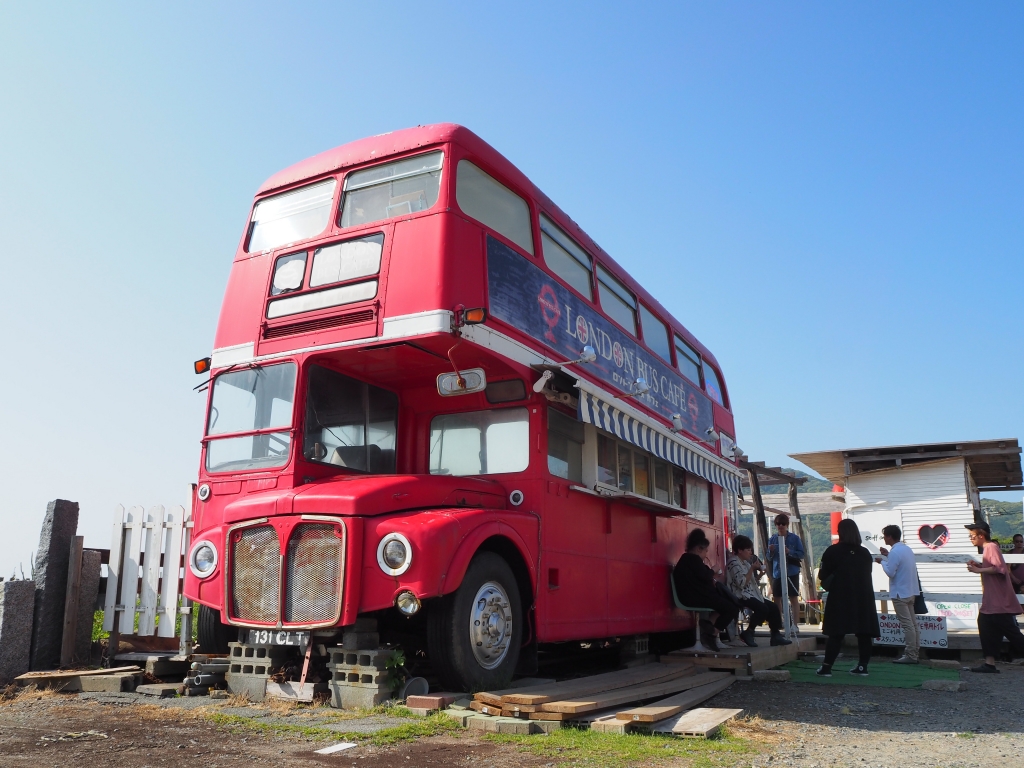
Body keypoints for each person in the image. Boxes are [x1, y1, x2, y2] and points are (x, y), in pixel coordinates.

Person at [816, 518, 880, 677]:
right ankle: (862, 667)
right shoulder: (864, 553)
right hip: (863, 597)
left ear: (841, 533)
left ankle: (827, 667)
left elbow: (822, 575)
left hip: (840, 597)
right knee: (864, 633)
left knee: (836, 633)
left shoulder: (832, 551)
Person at [964, 522, 1024, 673]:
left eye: (972, 536)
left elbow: (999, 568)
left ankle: (990, 663)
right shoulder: (988, 548)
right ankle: (989, 663)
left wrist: (978, 570)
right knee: (988, 627)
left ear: (981, 535)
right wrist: (980, 566)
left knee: (1011, 633)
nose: (970, 538)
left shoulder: (991, 547)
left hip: (998, 602)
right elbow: (994, 568)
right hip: (993, 602)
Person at [673, 528, 739, 651]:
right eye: (705, 551)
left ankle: (708, 626)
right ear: (699, 549)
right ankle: (712, 633)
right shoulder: (694, 560)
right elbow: (705, 576)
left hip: (691, 596)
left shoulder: (686, 559)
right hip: (695, 598)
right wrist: (713, 570)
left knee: (724, 605)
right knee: (732, 608)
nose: (706, 555)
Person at [726, 534, 792, 647]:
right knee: (762, 608)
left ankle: (775, 635)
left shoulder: (745, 563)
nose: (750, 552)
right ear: (740, 550)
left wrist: (760, 574)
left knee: (773, 607)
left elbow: (751, 582)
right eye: (748, 550)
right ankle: (749, 631)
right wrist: (752, 568)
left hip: (750, 594)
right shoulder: (733, 563)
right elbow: (741, 584)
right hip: (739, 595)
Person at [874, 524, 921, 664]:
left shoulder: (895, 552)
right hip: (910, 591)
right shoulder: (906, 549)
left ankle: (910, 654)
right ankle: (915, 652)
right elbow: (899, 564)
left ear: (889, 536)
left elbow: (890, 572)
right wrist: (887, 556)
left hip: (899, 593)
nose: (884, 538)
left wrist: (882, 561)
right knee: (913, 624)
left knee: (907, 625)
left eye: (885, 536)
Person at [767, 513, 804, 634]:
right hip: (777, 572)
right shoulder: (772, 539)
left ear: (787, 525)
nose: (781, 526)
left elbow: (802, 554)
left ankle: (795, 625)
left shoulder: (795, 538)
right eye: (778, 524)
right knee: (777, 598)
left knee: (793, 597)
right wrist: (771, 551)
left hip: (792, 571)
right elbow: (768, 557)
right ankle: (779, 622)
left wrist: (790, 551)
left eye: (783, 524)